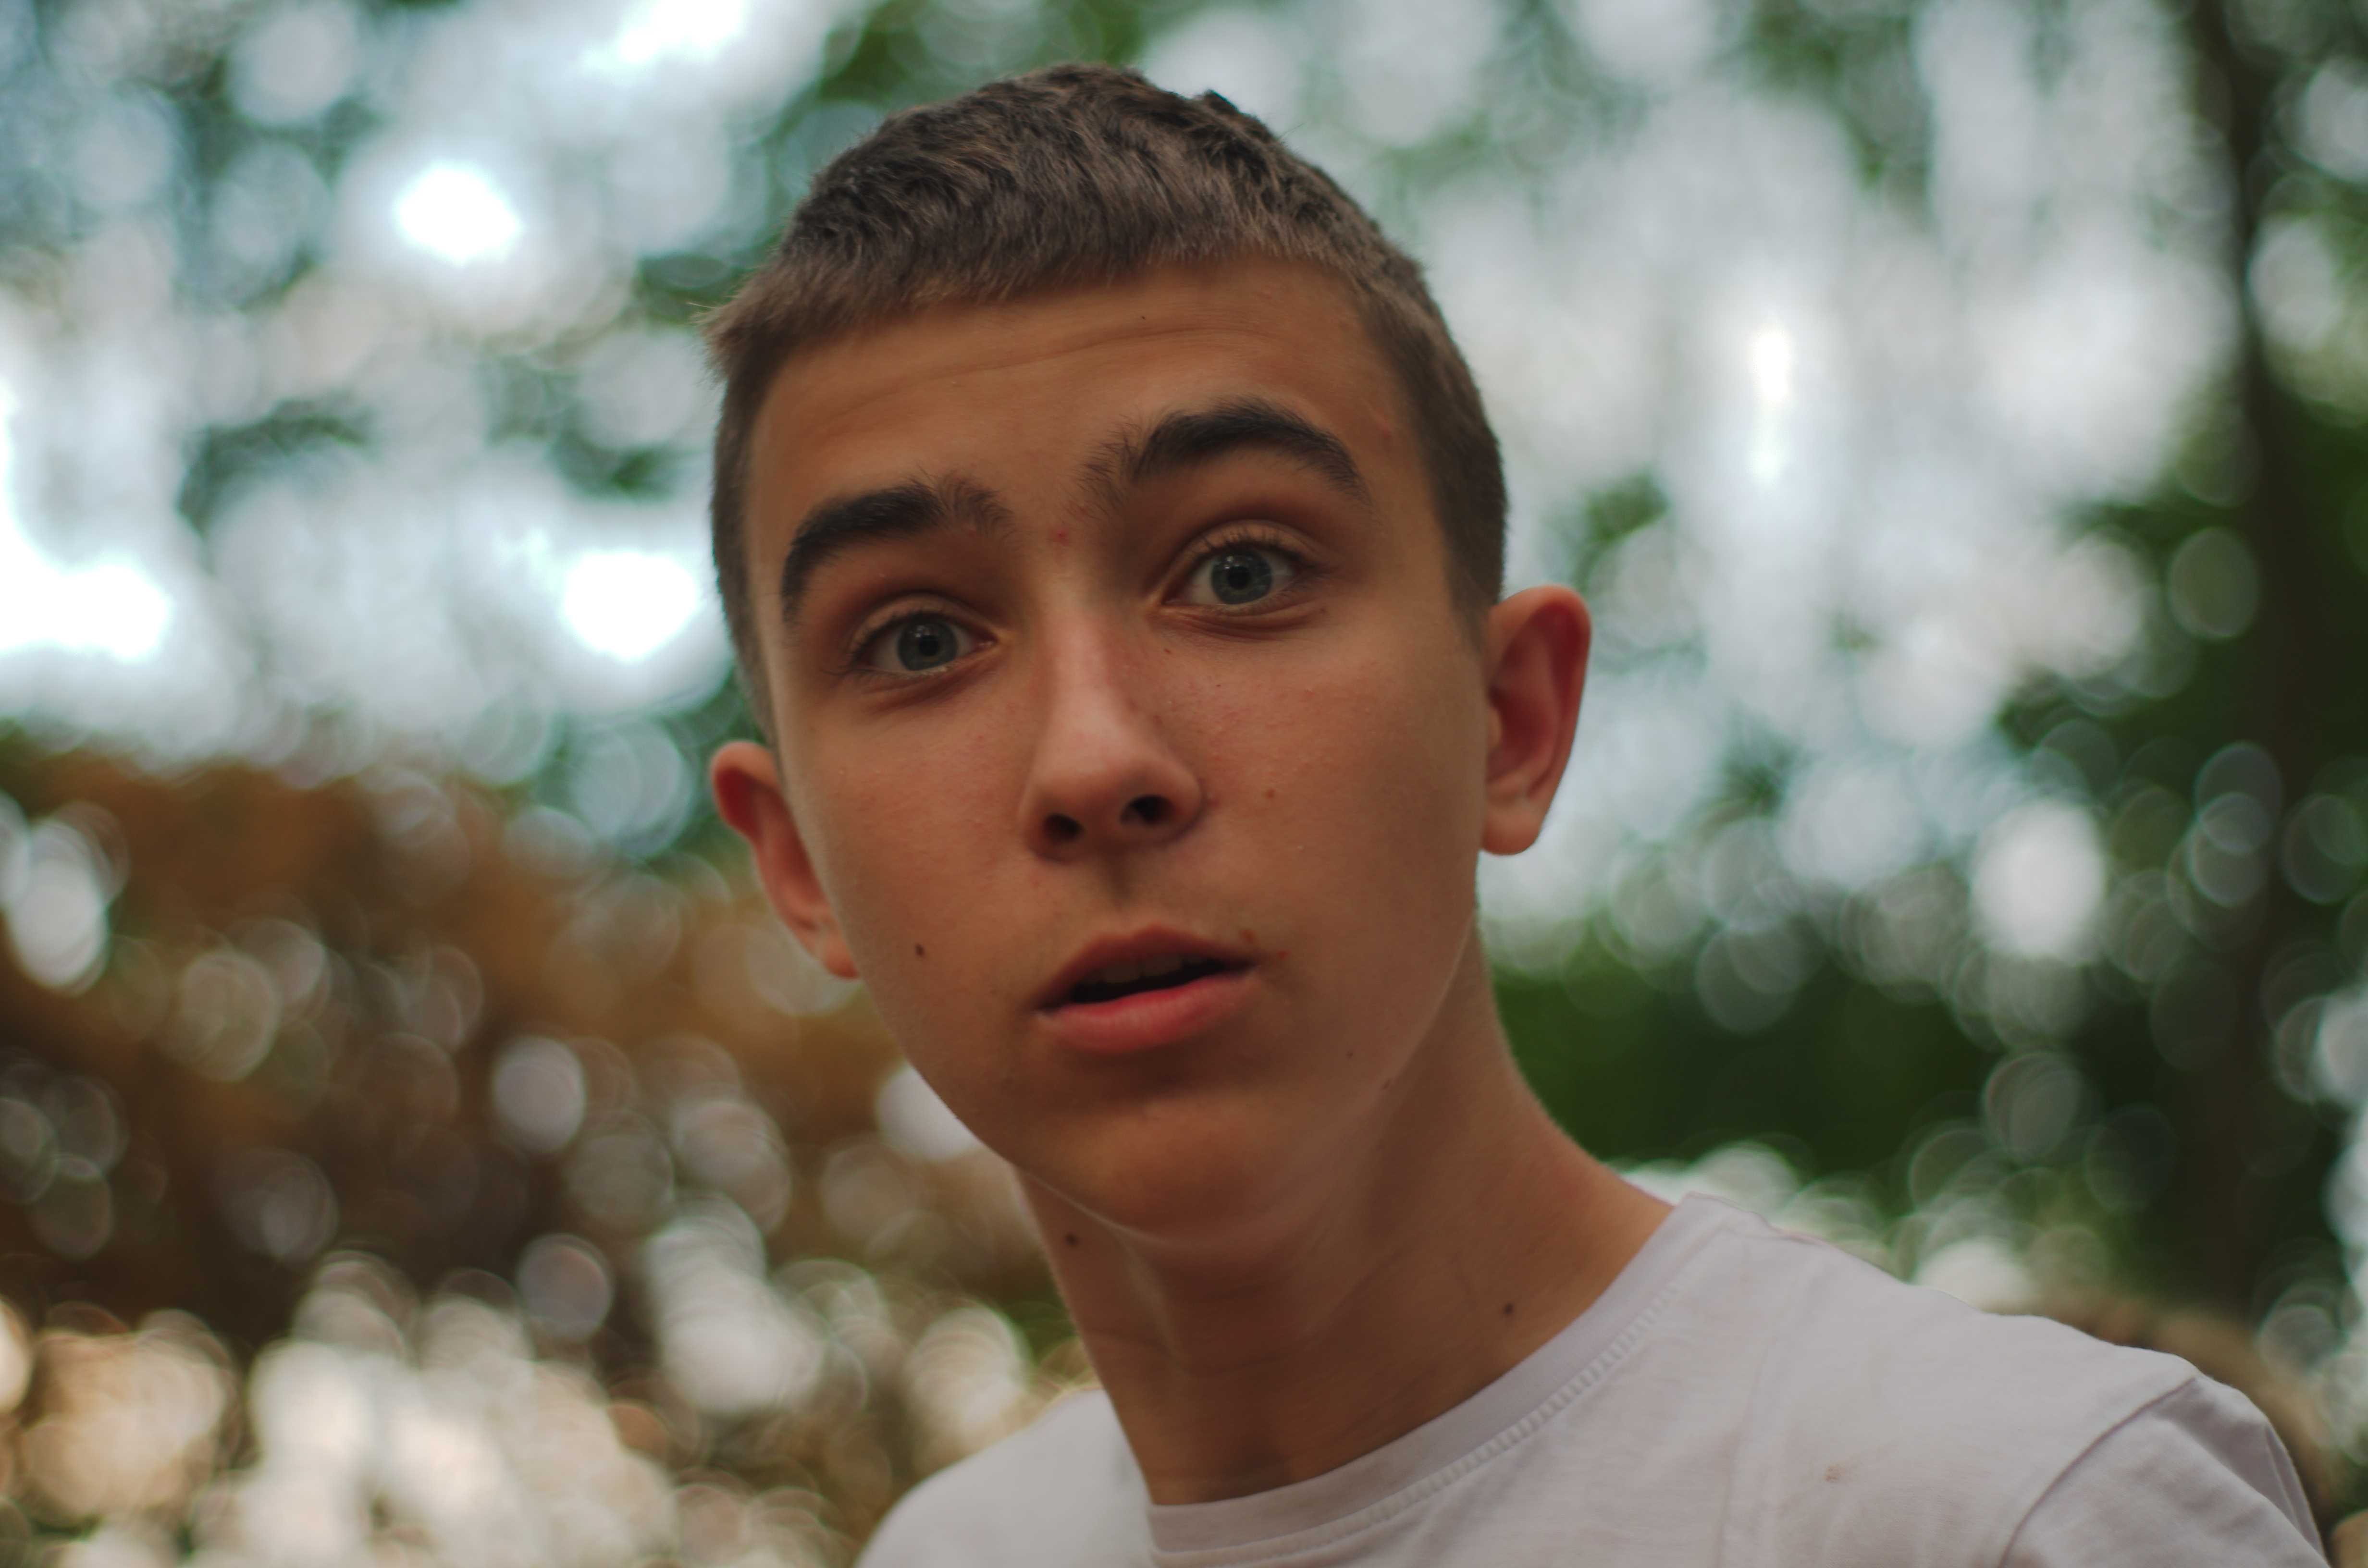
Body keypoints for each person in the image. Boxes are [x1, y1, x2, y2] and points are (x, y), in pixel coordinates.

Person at [703, 63, 2326, 1567]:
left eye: (1241, 572)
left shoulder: (2017, 1511)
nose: (1091, 762)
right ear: (797, 867)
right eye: (919, 642)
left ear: (1511, 721)